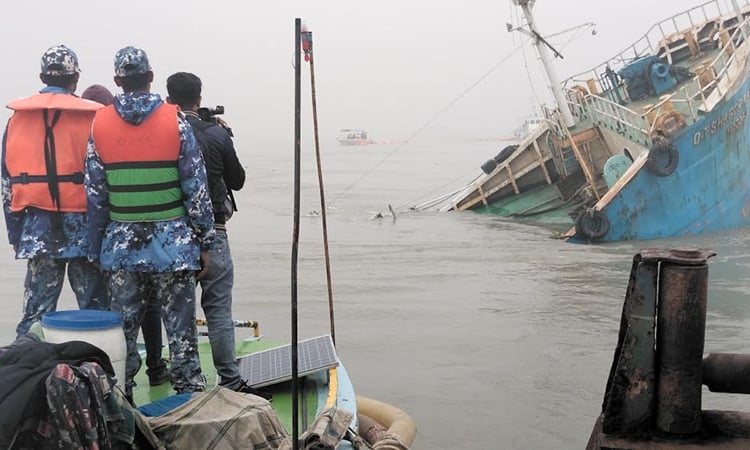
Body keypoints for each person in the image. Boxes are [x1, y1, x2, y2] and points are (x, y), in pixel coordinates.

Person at [84, 46, 214, 401]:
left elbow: (95, 196)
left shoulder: (100, 125)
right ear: (151, 76)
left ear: (117, 82)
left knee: (121, 337)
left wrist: (95, 248)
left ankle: (119, 410)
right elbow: (196, 188)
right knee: (182, 335)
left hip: (121, 251)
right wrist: (206, 242)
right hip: (174, 247)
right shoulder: (176, 121)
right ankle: (189, 406)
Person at [155, 71, 262, 396]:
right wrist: (224, 135)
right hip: (214, 229)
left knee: (179, 313)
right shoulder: (215, 134)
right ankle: (230, 381)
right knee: (217, 310)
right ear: (199, 99)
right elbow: (238, 180)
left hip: (172, 235)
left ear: (169, 99)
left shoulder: (162, 134)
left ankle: (186, 385)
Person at [2, 45, 109, 337]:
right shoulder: (93, 118)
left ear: (41, 76)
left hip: (37, 229)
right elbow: (102, 182)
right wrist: (103, 233)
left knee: (35, 315)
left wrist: (15, 235)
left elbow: (7, 186)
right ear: (75, 79)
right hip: (84, 230)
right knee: (95, 310)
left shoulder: (16, 122)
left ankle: (23, 375)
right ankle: (102, 374)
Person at [81, 83, 171, 387]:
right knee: (152, 305)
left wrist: (95, 248)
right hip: (159, 241)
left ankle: (115, 381)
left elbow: (97, 199)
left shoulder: (96, 136)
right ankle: (156, 367)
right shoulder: (122, 132)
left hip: (111, 243)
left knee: (115, 314)